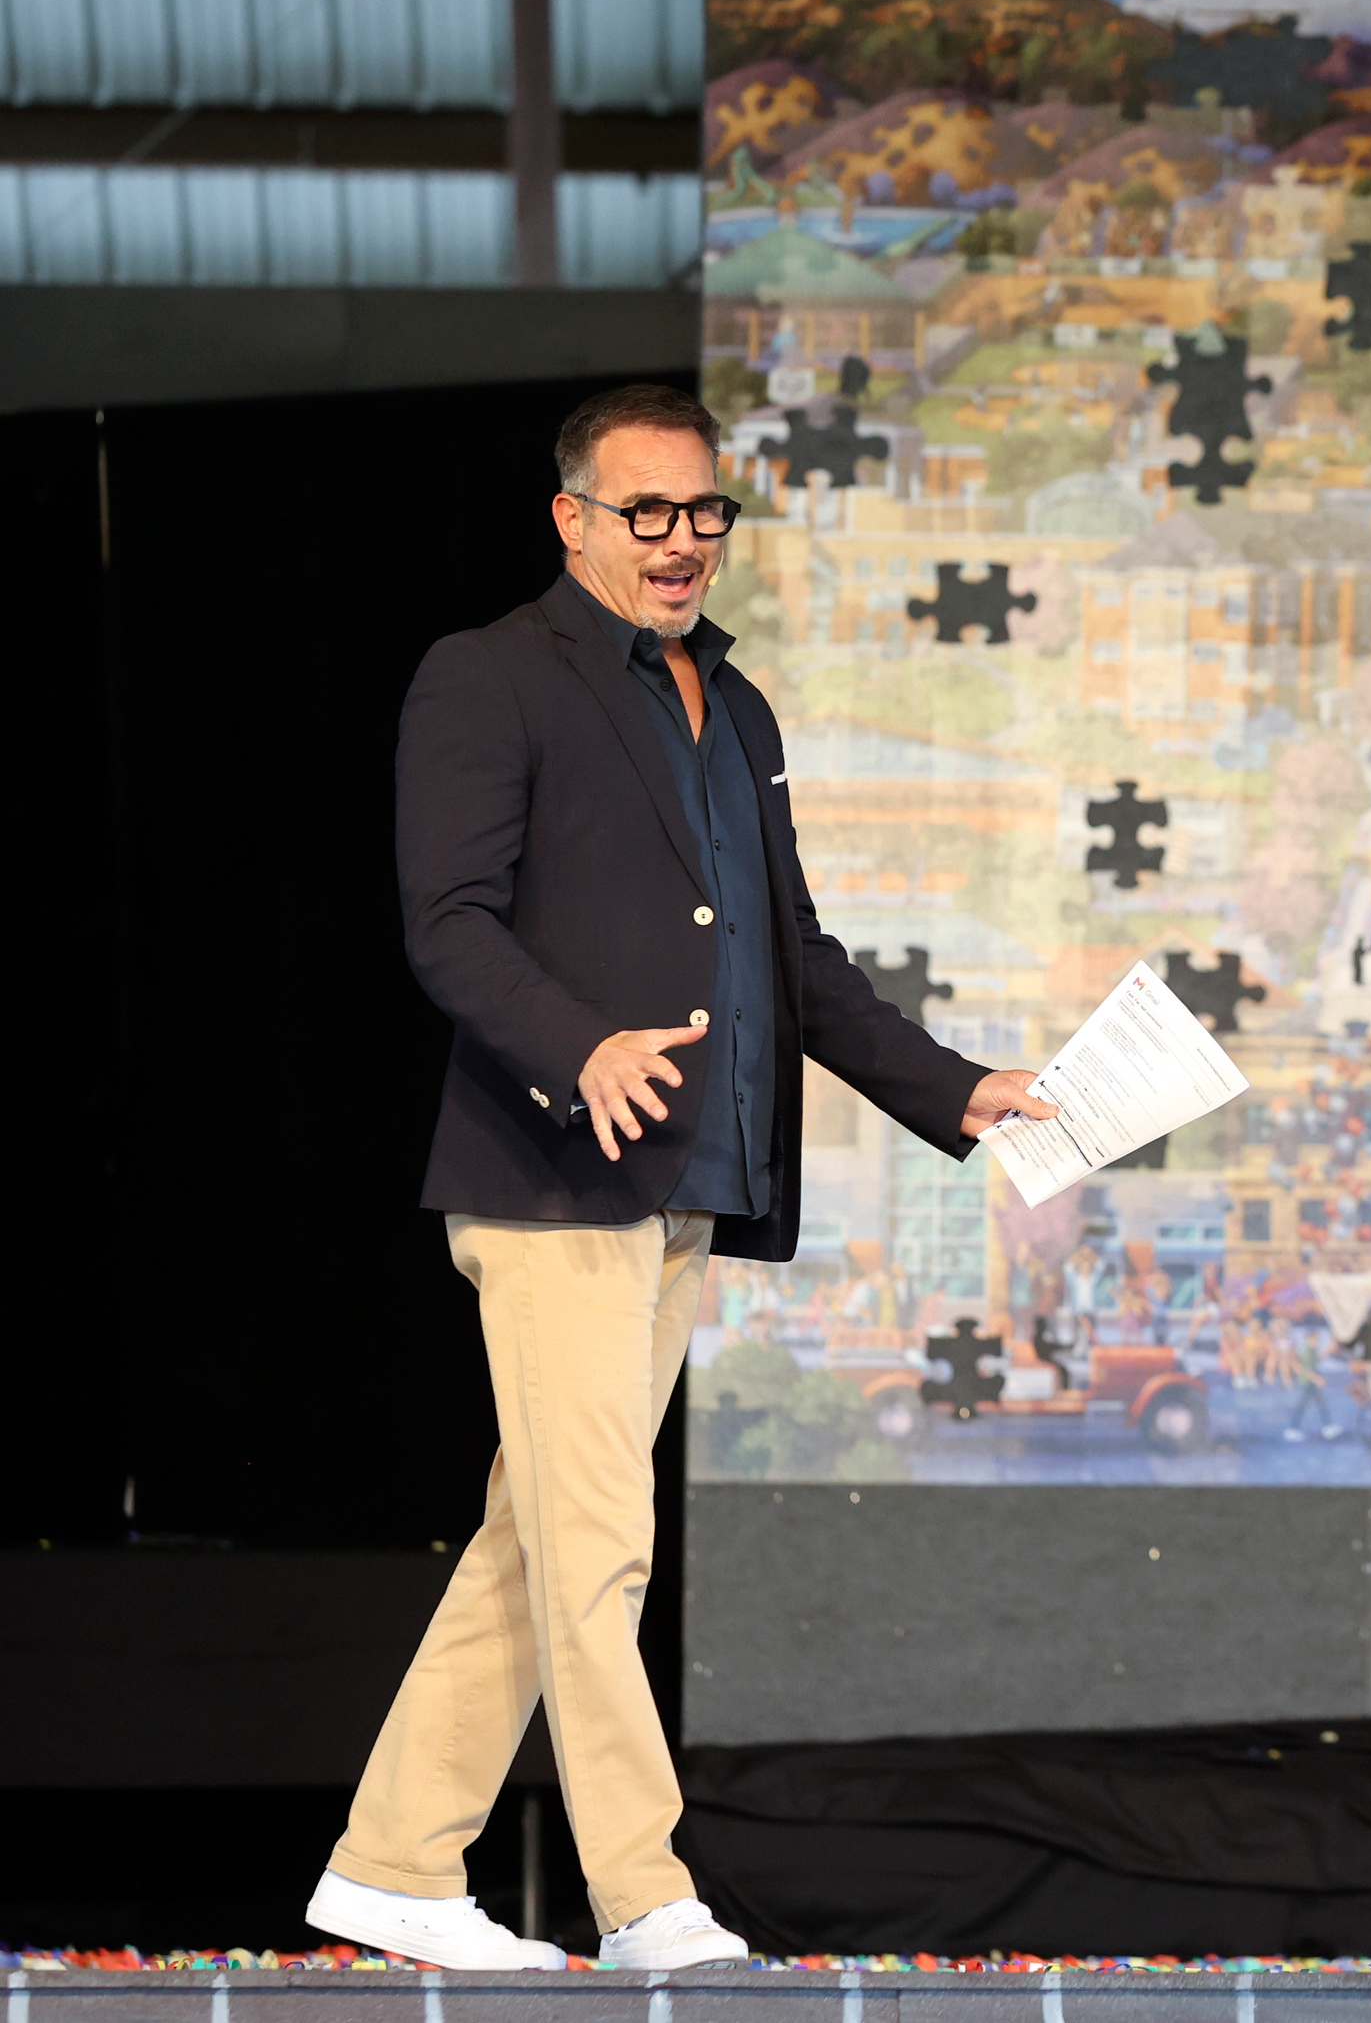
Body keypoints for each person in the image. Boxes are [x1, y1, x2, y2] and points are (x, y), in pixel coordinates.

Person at [311, 387, 1057, 1973]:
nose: (680, 542)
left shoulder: (741, 706)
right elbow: (449, 921)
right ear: (572, 517)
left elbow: (800, 961)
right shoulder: (490, 674)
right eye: (645, 512)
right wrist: (575, 1046)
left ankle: (392, 1864)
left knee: (539, 1537)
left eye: (704, 512)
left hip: (682, 1187)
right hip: (547, 1176)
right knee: (601, 1547)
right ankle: (647, 1896)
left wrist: (956, 1087)